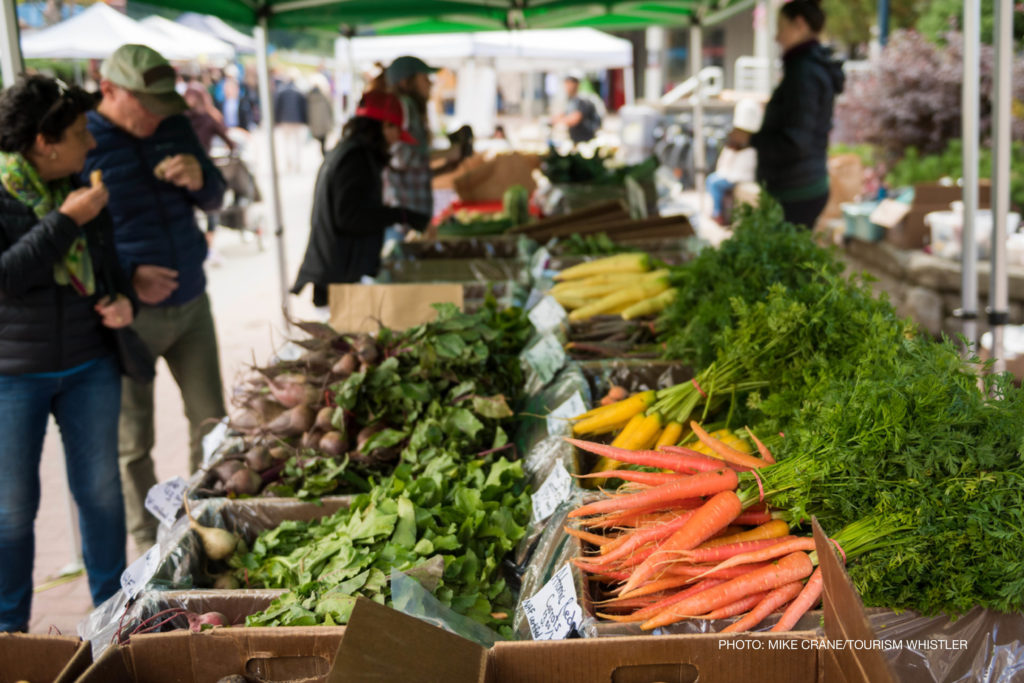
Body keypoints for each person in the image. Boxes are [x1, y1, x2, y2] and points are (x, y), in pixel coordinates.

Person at [0, 75, 135, 631]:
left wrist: (125, 301)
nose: (93, 143)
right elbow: (7, 276)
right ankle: (10, 636)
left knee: (102, 496)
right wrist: (64, 221)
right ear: (42, 142)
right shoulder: (17, 193)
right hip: (12, 374)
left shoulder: (87, 186)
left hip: (90, 365)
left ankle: (114, 621)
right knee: (10, 513)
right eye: (81, 133)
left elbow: (108, 267)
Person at [82, 44, 228, 552]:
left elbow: (216, 195)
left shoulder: (173, 125)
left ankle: (206, 524)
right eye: (145, 104)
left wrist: (202, 180)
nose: (155, 115)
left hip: (191, 304)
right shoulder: (81, 140)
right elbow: (70, 242)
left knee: (212, 423)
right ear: (109, 90)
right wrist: (129, 278)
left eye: (163, 103)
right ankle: (149, 545)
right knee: (132, 443)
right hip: (127, 319)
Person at [292, 91, 430, 308]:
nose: (395, 141)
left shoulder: (350, 151)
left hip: (339, 269)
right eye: (395, 130)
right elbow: (350, 217)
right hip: (339, 276)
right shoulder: (355, 159)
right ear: (384, 125)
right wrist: (401, 215)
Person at [735, 0, 844, 229]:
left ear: (800, 24)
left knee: (784, 259)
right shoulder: (808, 67)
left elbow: (796, 142)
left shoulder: (804, 72)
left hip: (796, 189)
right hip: (801, 184)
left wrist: (750, 139)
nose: (777, 37)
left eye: (781, 27)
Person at [384, 56, 463, 222]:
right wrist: (448, 153)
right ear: (406, 82)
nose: (430, 83)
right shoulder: (405, 106)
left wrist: (443, 169)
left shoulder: (407, 107)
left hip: (410, 212)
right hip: (405, 215)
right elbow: (405, 158)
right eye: (424, 78)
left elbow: (408, 172)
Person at [707, 99, 763, 225]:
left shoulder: (750, 149)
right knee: (712, 181)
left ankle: (717, 213)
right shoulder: (737, 146)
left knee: (713, 182)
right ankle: (718, 212)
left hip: (738, 177)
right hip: (732, 175)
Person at [552, 72, 602, 144]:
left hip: (586, 139)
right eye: (566, 83)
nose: (568, 86)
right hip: (575, 138)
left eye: (570, 82)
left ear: (576, 84)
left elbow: (575, 119)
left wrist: (558, 121)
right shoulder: (569, 100)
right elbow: (563, 114)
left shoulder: (583, 100)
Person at [273, 69, 308, 173]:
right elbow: (303, 108)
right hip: (296, 120)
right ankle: (296, 163)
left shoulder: (282, 90)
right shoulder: (299, 91)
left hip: (285, 120)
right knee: (296, 144)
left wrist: (277, 120)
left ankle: (290, 163)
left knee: (287, 144)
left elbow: (277, 107)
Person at [306, 74, 334, 157]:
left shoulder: (308, 97)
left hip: (314, 123)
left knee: (320, 140)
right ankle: (323, 153)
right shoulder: (324, 96)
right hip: (323, 122)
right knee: (323, 141)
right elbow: (330, 110)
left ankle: (323, 153)